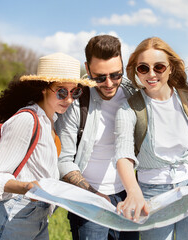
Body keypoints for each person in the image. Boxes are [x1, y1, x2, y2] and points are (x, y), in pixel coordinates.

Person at [0, 52, 96, 240]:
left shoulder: (51, 120)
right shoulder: (26, 120)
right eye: (61, 92)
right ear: (43, 88)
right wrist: (27, 187)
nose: (69, 99)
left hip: (38, 217)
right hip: (13, 218)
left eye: (75, 92)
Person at [114, 37, 188, 240]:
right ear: (136, 71)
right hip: (153, 194)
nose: (151, 74)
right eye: (143, 68)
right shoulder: (128, 108)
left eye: (159, 67)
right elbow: (123, 154)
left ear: (170, 68)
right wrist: (133, 191)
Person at [55, 35, 139, 240]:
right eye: (100, 77)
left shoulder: (134, 93)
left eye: (116, 75)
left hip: (128, 194)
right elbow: (64, 160)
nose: (109, 83)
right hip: (88, 199)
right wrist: (96, 195)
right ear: (87, 68)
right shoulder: (75, 101)